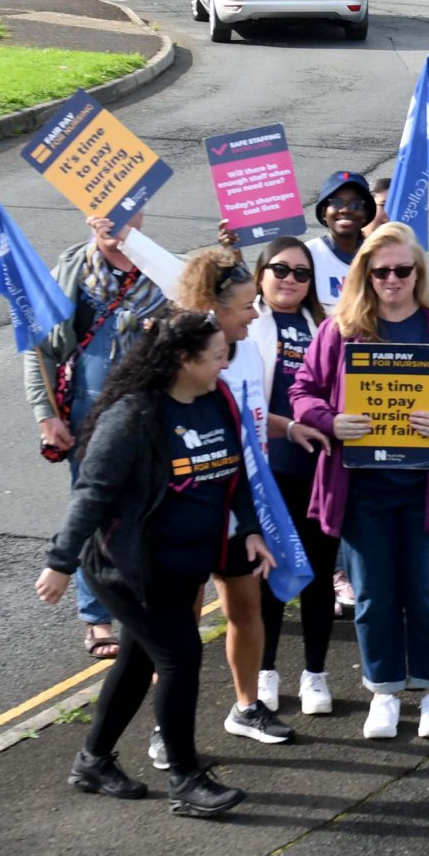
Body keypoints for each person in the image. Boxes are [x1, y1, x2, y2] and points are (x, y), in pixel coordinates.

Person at [35, 311, 264, 818]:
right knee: (179, 658)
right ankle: (185, 780)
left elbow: (233, 472)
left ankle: (93, 761)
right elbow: (91, 493)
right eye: (216, 356)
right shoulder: (134, 416)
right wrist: (60, 563)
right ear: (183, 360)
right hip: (132, 569)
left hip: (184, 563)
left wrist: (250, 528)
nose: (225, 364)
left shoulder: (215, 401)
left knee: (139, 660)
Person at [289, 223, 429, 742]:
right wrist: (331, 421)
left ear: (419, 272)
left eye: (402, 269)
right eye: (381, 272)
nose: (392, 279)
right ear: (366, 274)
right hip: (363, 491)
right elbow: (303, 391)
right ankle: (384, 690)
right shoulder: (341, 329)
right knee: (373, 596)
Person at [161, 243, 293, 749]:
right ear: (212, 308)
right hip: (192, 509)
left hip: (243, 506)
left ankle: (247, 707)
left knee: (246, 608)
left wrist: (291, 428)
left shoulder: (251, 350)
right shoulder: (178, 360)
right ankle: (167, 727)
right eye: (245, 306)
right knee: (180, 627)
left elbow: (252, 424)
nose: (255, 314)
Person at [25, 215, 170, 660]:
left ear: (141, 214)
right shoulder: (69, 272)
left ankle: (145, 614)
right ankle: (97, 617)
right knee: (92, 509)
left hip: (151, 413)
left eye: (125, 208)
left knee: (152, 510)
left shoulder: (164, 269)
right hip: (88, 414)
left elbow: (211, 313)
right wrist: (46, 415)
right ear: (88, 215)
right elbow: (37, 346)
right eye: (102, 207)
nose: (113, 218)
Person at [245, 237, 343, 717]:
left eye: (301, 273)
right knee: (267, 575)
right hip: (268, 472)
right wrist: (287, 427)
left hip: (318, 470)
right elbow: (238, 403)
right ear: (261, 273)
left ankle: (315, 674)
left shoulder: (327, 326)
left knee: (319, 576)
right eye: (280, 270)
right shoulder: (244, 325)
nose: (290, 280)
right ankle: (265, 671)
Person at [309, 172, 376, 310]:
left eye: (356, 204)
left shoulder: (378, 256)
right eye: (336, 203)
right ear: (324, 212)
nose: (345, 210)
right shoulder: (308, 254)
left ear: (366, 213)